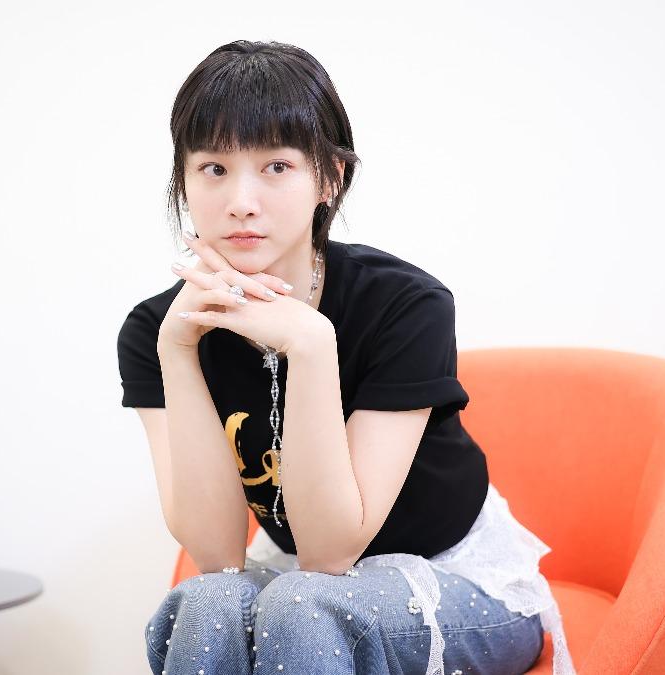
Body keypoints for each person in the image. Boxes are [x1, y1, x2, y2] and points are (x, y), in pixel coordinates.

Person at [118, 40, 575, 675]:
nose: (241, 201)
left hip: (458, 582)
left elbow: (330, 552)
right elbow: (219, 555)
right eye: (213, 168)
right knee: (208, 602)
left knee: (304, 606)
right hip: (303, 585)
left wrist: (310, 347)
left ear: (329, 178)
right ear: (183, 181)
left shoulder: (405, 305)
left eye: (276, 166)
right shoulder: (156, 330)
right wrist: (177, 350)